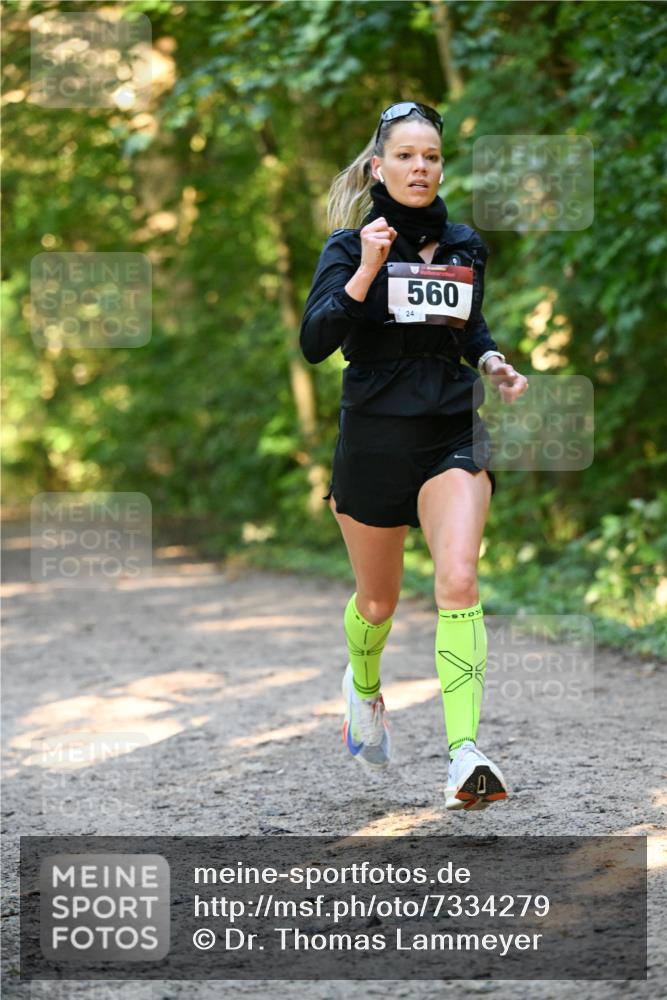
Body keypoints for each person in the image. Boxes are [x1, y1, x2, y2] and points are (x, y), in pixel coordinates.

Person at [299, 101, 529, 811]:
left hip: (448, 432)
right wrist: (367, 267)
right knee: (378, 600)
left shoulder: (464, 244)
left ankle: (465, 755)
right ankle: (362, 688)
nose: (420, 167)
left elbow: (467, 323)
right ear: (379, 167)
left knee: (458, 580)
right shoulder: (347, 247)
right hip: (372, 439)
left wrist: (490, 359)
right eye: (405, 156)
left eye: (430, 156)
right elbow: (315, 342)